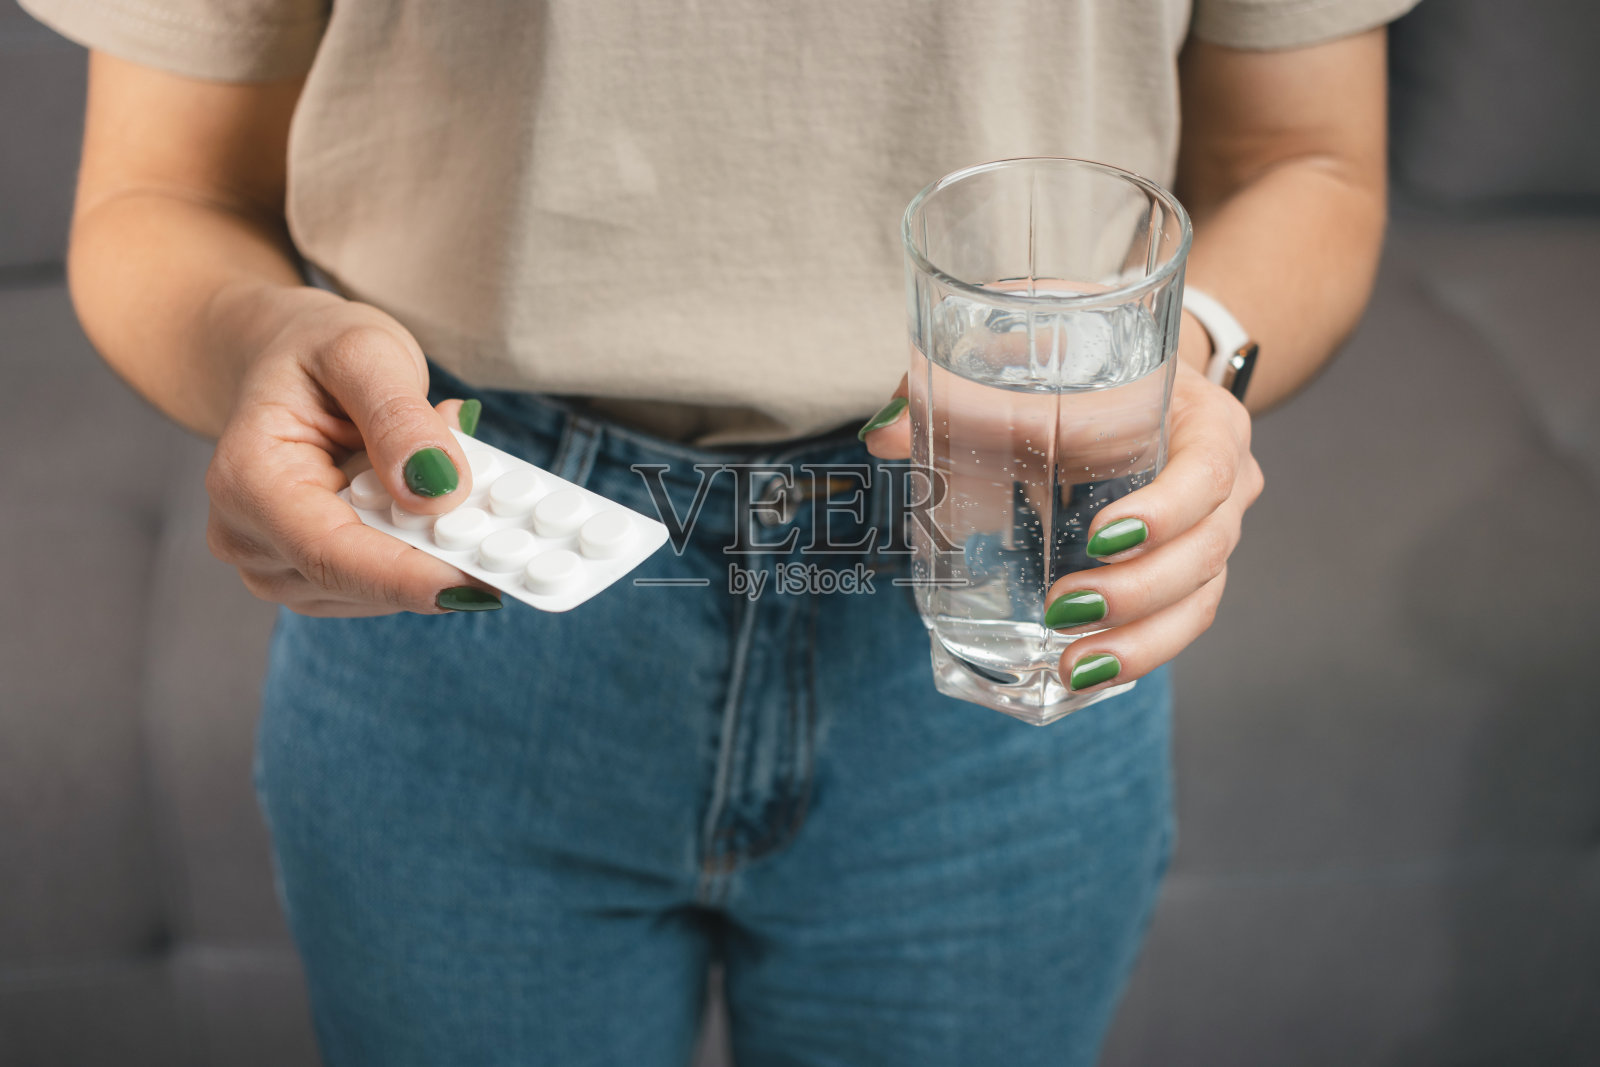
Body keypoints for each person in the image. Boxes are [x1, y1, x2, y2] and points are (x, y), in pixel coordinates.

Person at [22, 0, 1413, 1063]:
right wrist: (264, 340)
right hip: (458, 566)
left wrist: (1191, 365)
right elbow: (164, 192)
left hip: (1002, 591)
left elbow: (1304, 158)